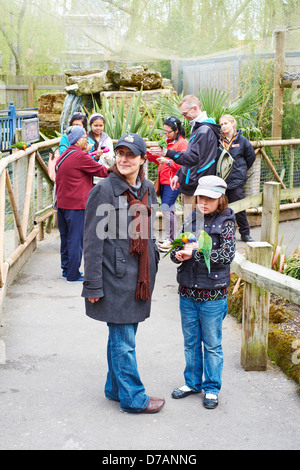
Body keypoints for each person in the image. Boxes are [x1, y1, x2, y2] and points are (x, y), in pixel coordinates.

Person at [81, 133, 165, 414]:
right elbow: (92, 241)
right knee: (124, 339)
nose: (124, 159)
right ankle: (133, 398)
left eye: (131, 154)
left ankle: (114, 388)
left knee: (121, 336)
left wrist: (155, 254)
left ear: (142, 159)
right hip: (113, 277)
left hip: (140, 277)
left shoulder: (148, 189)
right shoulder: (103, 190)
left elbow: (146, 231)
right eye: (120, 153)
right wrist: (92, 284)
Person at [170, 175, 236, 409]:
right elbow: (177, 246)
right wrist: (177, 254)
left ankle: (211, 388)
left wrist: (195, 254)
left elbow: (227, 256)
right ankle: (192, 383)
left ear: (221, 199)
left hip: (213, 295)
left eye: (210, 198)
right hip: (187, 291)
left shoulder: (227, 221)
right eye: (201, 197)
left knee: (212, 344)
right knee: (190, 342)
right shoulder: (191, 219)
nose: (204, 202)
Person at [149, 95, 220, 220]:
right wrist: (179, 174)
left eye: (185, 113)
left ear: (195, 108)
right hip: (190, 181)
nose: (183, 117)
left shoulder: (204, 130)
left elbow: (192, 158)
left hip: (196, 184)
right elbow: (192, 158)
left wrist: (167, 153)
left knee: (192, 225)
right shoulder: (198, 127)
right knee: (189, 222)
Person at [56, 126, 108, 282]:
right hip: (76, 205)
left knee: (66, 238)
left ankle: (66, 269)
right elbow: (102, 171)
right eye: (85, 137)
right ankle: (73, 274)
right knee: (76, 239)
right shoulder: (80, 156)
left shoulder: (64, 154)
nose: (87, 140)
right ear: (78, 140)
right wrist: (122, 170)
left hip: (62, 203)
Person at [147, 116, 188, 251]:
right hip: (163, 180)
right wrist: (150, 154)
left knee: (166, 208)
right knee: (169, 209)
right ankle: (171, 238)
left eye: (168, 132)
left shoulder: (182, 144)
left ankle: (170, 239)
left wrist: (169, 162)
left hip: (173, 181)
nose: (166, 135)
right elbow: (159, 159)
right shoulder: (166, 142)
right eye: (164, 132)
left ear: (176, 130)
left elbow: (185, 164)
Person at [219, 114, 256, 242]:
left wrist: (241, 170)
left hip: (236, 180)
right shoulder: (219, 141)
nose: (224, 126)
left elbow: (250, 157)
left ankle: (245, 233)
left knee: (240, 207)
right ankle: (227, 234)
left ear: (233, 123)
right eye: (222, 124)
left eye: (226, 123)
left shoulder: (242, 141)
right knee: (223, 208)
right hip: (222, 180)